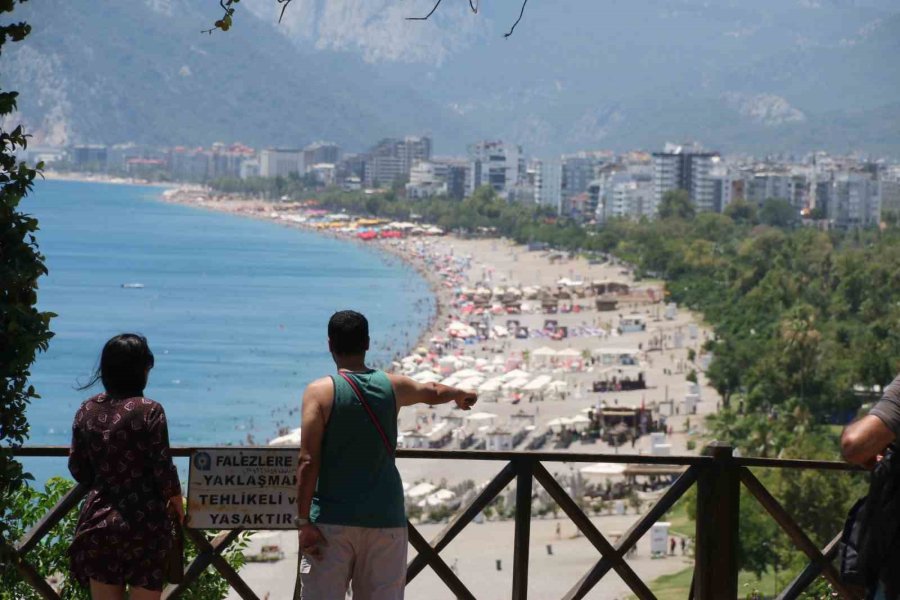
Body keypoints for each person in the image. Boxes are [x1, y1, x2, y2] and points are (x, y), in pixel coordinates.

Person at [296, 310, 477, 600]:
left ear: (330, 344)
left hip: (331, 519)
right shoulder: (392, 386)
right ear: (367, 343)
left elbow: (307, 461)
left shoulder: (318, 393)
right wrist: (459, 393)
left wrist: (303, 521)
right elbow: (431, 391)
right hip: (385, 517)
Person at [68, 334, 184, 600]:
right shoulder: (150, 410)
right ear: (142, 370)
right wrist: (177, 502)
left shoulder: (87, 409)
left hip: (99, 523)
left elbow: (78, 468)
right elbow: (163, 468)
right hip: (146, 525)